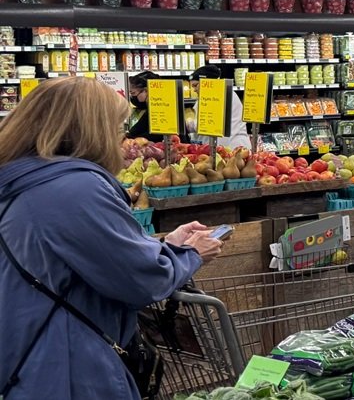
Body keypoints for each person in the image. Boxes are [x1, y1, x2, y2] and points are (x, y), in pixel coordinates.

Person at [0, 77, 223, 400]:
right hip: (69, 367)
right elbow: (140, 280)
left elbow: (80, 256)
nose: (123, 137)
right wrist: (189, 254)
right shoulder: (76, 189)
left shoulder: (21, 181)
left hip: (25, 357)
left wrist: (166, 246)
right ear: (92, 129)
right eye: (118, 126)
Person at [188, 65, 252, 149]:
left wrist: (190, 124)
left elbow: (208, 123)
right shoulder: (211, 95)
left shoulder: (217, 96)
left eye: (196, 85)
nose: (194, 90)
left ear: (206, 82)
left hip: (232, 147)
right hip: (223, 146)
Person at [125, 71, 159, 140]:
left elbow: (156, 135)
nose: (132, 96)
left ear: (146, 91)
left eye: (133, 93)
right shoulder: (150, 108)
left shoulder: (158, 108)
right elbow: (136, 130)